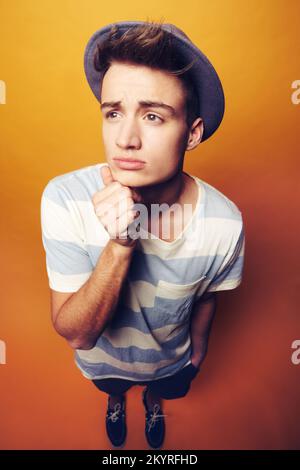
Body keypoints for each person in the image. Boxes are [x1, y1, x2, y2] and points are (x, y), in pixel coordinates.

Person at [40, 19, 245, 449]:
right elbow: (77, 332)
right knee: (112, 386)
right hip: (103, 363)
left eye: (153, 115)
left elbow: (207, 296)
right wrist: (121, 243)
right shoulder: (64, 198)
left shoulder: (225, 222)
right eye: (114, 112)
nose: (126, 139)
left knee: (161, 389)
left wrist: (199, 352)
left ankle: (153, 403)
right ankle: (117, 401)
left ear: (192, 133)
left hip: (169, 363)